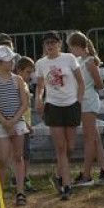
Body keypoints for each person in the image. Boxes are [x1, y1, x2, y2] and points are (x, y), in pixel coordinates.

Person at [37, 31, 85, 198]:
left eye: (53, 42)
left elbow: (81, 82)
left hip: (71, 104)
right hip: (53, 106)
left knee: (70, 147)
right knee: (61, 147)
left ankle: (58, 175)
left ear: (59, 44)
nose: (50, 45)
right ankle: (66, 185)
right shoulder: (41, 63)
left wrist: (78, 102)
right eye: (47, 42)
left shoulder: (69, 58)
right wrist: (38, 99)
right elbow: (40, 86)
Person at [0, 45, 30, 206]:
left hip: (17, 122)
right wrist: (5, 122)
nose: (11, 62)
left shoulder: (18, 79)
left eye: (12, 60)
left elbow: (24, 103)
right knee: (3, 159)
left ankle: (20, 192)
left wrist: (14, 120)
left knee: (18, 157)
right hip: (1, 124)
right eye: (8, 60)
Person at [69, 31, 104, 186]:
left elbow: (100, 84)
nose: (70, 50)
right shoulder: (79, 61)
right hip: (82, 102)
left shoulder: (89, 62)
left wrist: (87, 87)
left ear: (77, 46)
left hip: (89, 102)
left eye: (71, 47)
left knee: (89, 139)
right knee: (95, 138)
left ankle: (86, 175)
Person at [14, 56, 38, 193]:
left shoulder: (25, 85)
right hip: (21, 125)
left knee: (26, 154)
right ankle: (21, 179)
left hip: (25, 124)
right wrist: (26, 124)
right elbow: (18, 107)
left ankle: (23, 177)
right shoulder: (16, 85)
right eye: (28, 72)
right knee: (22, 154)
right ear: (19, 71)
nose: (30, 75)